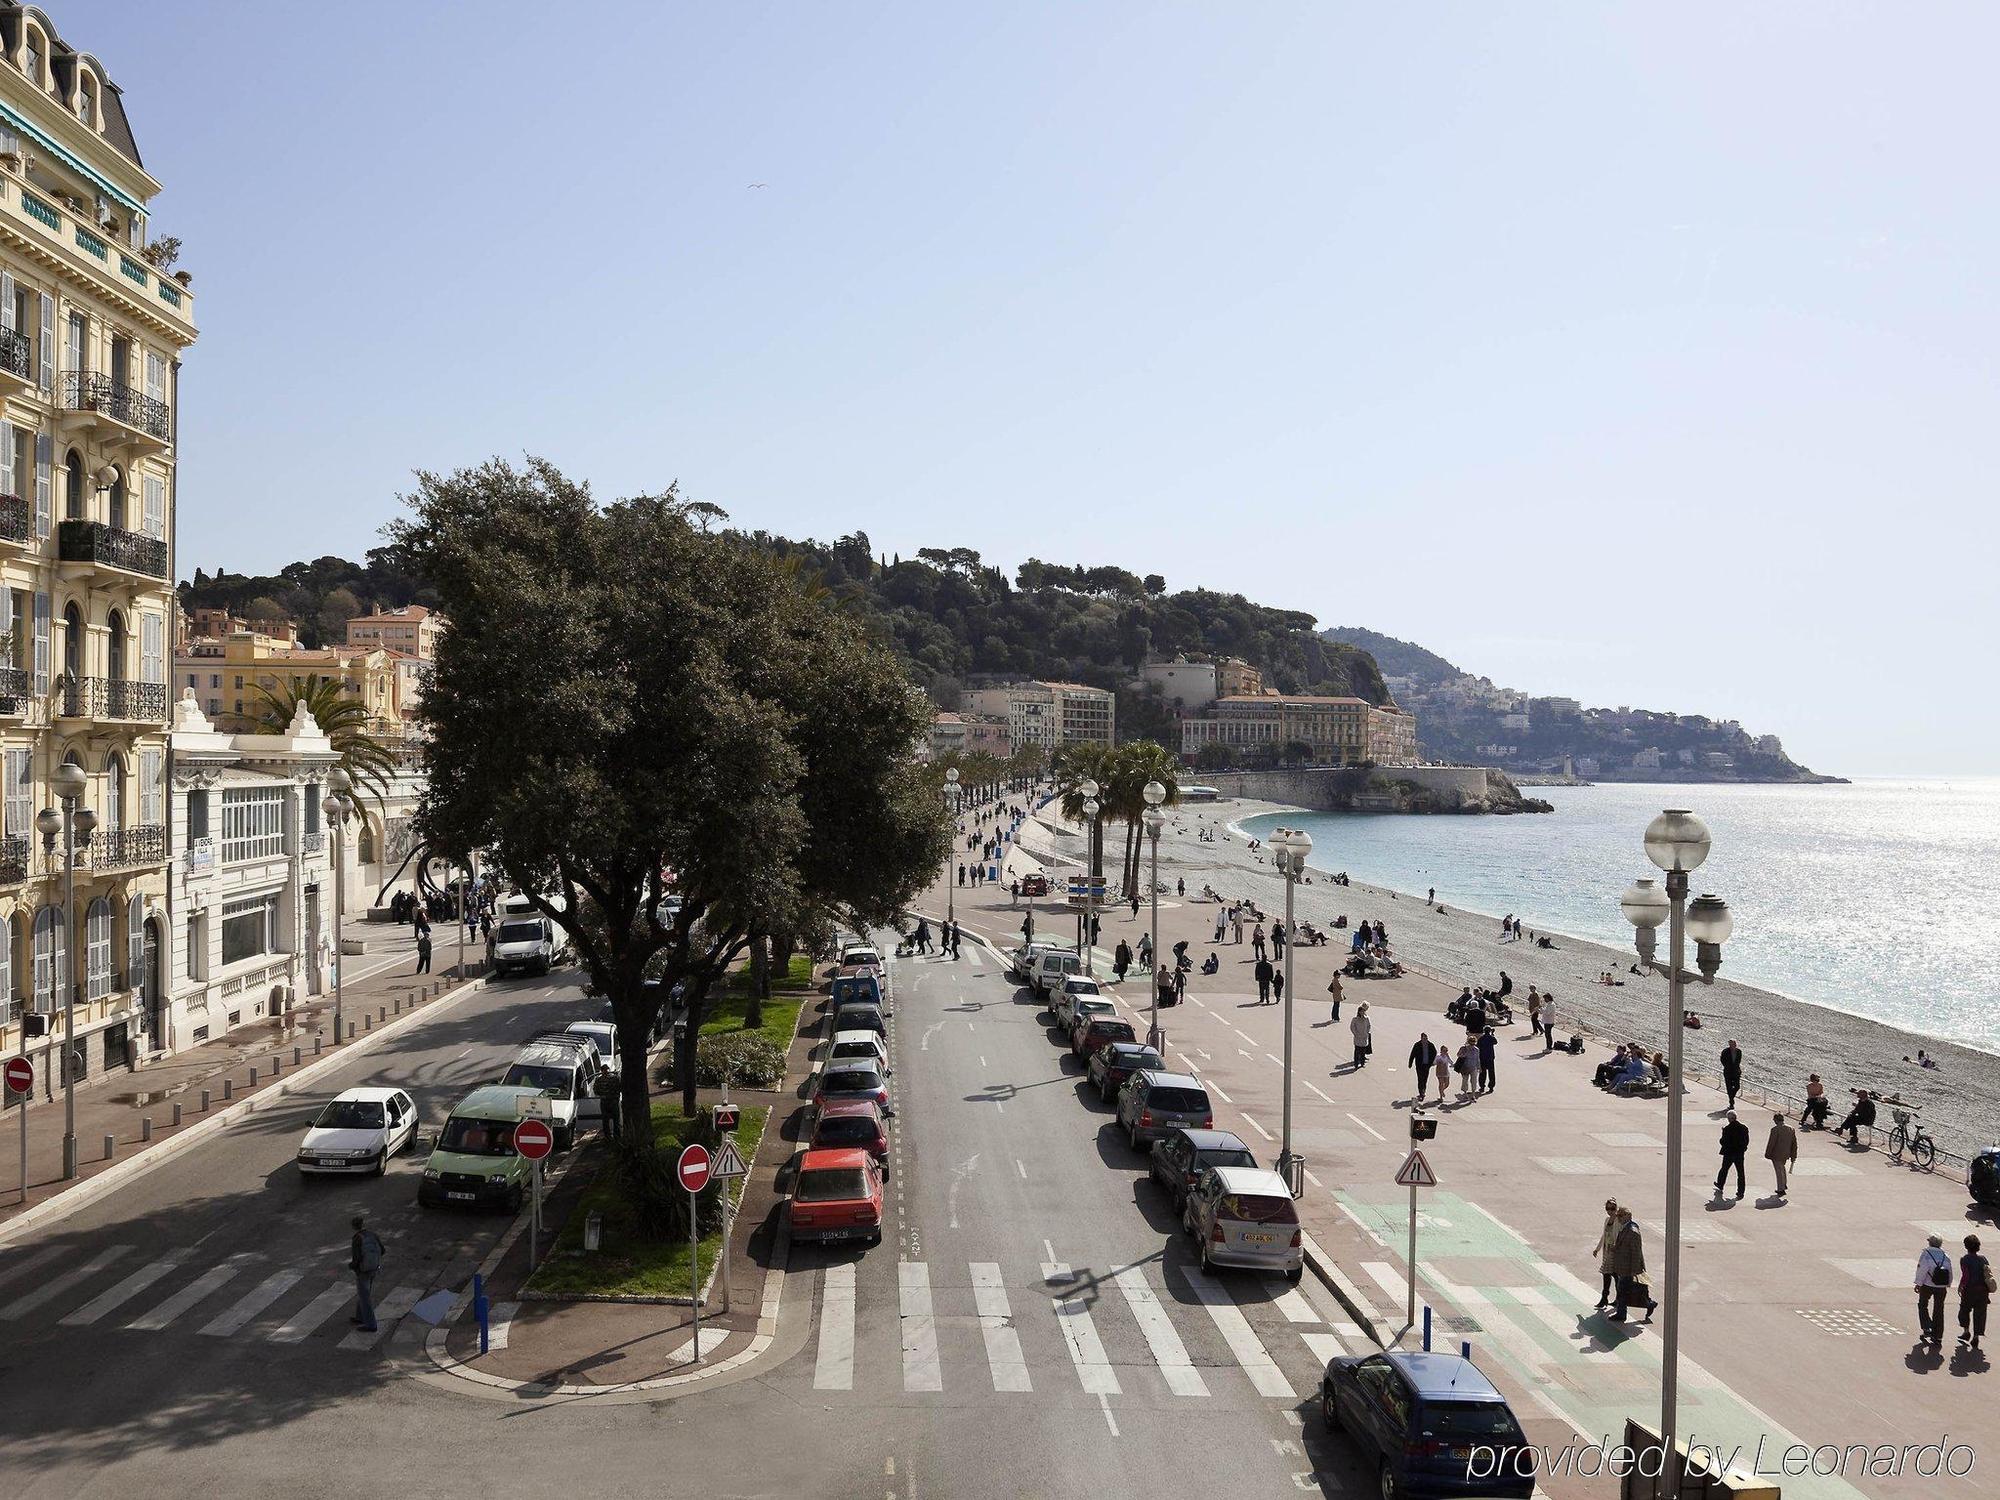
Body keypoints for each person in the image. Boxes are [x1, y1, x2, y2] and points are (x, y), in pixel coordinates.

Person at [1605, 1209, 1657, 1323]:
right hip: (1623, 1267)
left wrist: (1634, 1270)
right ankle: (1647, 1304)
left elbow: (1635, 1252)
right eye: (1618, 1216)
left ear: (1628, 1216)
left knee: (1625, 1290)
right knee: (1627, 1291)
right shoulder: (1625, 1227)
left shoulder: (1633, 1231)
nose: (1619, 1218)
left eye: (1621, 1216)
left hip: (1629, 1268)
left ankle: (1622, 1314)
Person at [1915, 1234, 1953, 1347]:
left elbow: (1922, 1269)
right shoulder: (1945, 1256)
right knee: (1939, 1310)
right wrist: (1948, 1284)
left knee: (1922, 1305)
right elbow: (1949, 1272)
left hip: (1927, 1284)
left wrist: (1918, 1283)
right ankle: (1938, 1336)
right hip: (1941, 1287)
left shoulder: (1926, 1254)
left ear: (1930, 1243)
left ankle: (1927, 1327)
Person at [349, 1214, 383, 1332]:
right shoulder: (373, 1235)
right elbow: (382, 1250)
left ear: (354, 1226)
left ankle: (371, 1325)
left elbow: (356, 1258)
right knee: (363, 1294)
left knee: (364, 1297)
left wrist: (352, 1266)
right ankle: (361, 1316)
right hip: (373, 1268)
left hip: (363, 1271)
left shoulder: (357, 1238)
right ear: (363, 1224)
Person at [1958, 1234, 1991, 1350]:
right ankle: (1976, 1337)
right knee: (1980, 1314)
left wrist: (1961, 1286)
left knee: (1964, 1310)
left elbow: (1965, 1276)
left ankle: (1966, 1331)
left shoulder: (1964, 1259)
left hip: (1970, 1290)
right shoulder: (1983, 1259)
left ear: (1966, 1247)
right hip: (1983, 1291)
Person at [1592, 1200, 1621, 1308]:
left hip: (1615, 1252)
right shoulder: (1607, 1220)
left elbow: (1619, 1236)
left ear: (1616, 1208)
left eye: (1612, 1209)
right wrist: (1597, 1249)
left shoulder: (1618, 1221)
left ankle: (1615, 1299)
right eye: (1607, 1209)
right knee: (1607, 1274)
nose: (1610, 1211)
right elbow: (1604, 1235)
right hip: (1607, 1250)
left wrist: (1616, 1247)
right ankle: (1605, 1298)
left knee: (1613, 1275)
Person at [1714, 1112, 1749, 1199]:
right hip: (1739, 1153)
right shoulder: (1744, 1128)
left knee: (1724, 1169)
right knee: (1740, 1173)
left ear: (1729, 1119)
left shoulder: (1727, 1129)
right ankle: (1740, 1192)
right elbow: (1746, 1141)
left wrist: (1723, 1133)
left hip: (1729, 1153)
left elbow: (1723, 1142)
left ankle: (1720, 1184)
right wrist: (1743, 1149)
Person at [1764, 1112, 1797, 1198]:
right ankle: (1784, 1184)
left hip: (1776, 1153)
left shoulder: (1775, 1129)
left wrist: (1767, 1154)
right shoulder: (1791, 1129)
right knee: (1782, 1169)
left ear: (1776, 1120)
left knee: (1779, 1171)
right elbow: (1794, 1144)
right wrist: (1794, 1155)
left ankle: (1781, 1189)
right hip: (1786, 1153)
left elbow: (1771, 1143)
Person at [1408, 1033, 1438, 1101]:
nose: (1425, 1040)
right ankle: (1421, 1092)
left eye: (1426, 1038)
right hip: (1419, 1065)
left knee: (1425, 1079)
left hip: (1427, 1065)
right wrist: (1410, 1063)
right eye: (1424, 1038)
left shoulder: (1430, 1045)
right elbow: (1412, 1054)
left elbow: (1434, 1052)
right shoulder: (1417, 1045)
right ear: (1421, 1038)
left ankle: (1423, 1090)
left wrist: (1431, 1062)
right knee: (1420, 1079)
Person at [595, 1068, 621, 1142]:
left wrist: (603, 1094)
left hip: (604, 1102)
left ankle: (607, 1136)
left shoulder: (599, 1079)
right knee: (616, 1120)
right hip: (613, 1101)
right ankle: (617, 1136)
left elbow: (596, 1091)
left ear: (602, 1070)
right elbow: (620, 1087)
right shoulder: (615, 1078)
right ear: (608, 1070)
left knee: (605, 1121)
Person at [1720, 1040, 1744, 1109]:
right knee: (1729, 1088)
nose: (1734, 1045)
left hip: (1736, 1072)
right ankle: (1731, 1103)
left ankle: (1731, 1097)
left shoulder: (1739, 1051)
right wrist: (1727, 1066)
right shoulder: (1725, 1051)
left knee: (1737, 1087)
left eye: (1735, 1044)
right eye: (1733, 1044)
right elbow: (1722, 1059)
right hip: (1728, 1072)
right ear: (1730, 1045)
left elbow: (1738, 1061)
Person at [1349, 1003, 1371, 1069]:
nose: (1362, 1012)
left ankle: (1362, 1063)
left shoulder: (1367, 1018)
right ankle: (1356, 1064)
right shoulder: (1355, 1019)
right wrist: (1355, 1034)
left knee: (1363, 1051)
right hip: (1358, 1037)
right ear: (1359, 1012)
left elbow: (1369, 1026)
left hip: (1364, 1037)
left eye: (1363, 1011)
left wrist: (1367, 1033)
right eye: (1361, 1011)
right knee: (1357, 1051)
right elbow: (1352, 1027)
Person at [1476, 1027, 1497, 1093]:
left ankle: (1482, 1086)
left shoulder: (1481, 1038)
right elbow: (1495, 1042)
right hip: (1490, 1058)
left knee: (1482, 1073)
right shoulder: (1491, 1038)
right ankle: (1491, 1087)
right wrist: (1492, 1034)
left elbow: (1478, 1045)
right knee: (1491, 1073)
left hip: (1482, 1057)